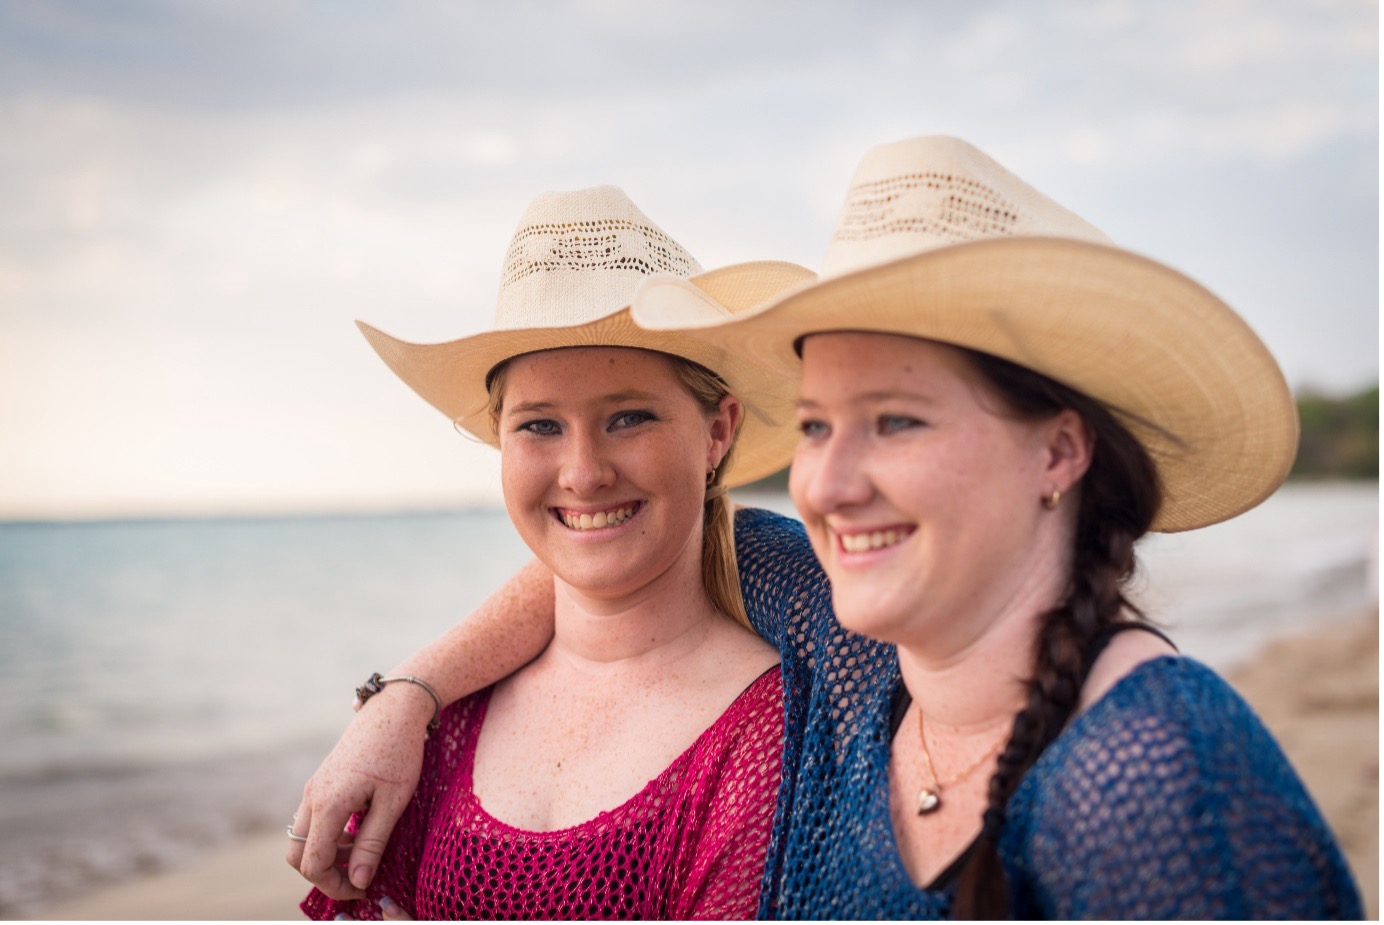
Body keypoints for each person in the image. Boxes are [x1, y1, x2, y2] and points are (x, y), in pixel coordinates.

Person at [292, 139, 1362, 919]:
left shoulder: (1147, 767)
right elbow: (594, 571)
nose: (826, 484)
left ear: (1057, 450)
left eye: (894, 420)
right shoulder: (835, 628)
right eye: (813, 426)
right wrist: (406, 699)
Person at [294, 185, 814, 919]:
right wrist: (404, 697)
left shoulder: (769, 735)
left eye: (629, 416)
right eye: (539, 425)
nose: (582, 472)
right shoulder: (442, 722)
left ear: (719, 431)